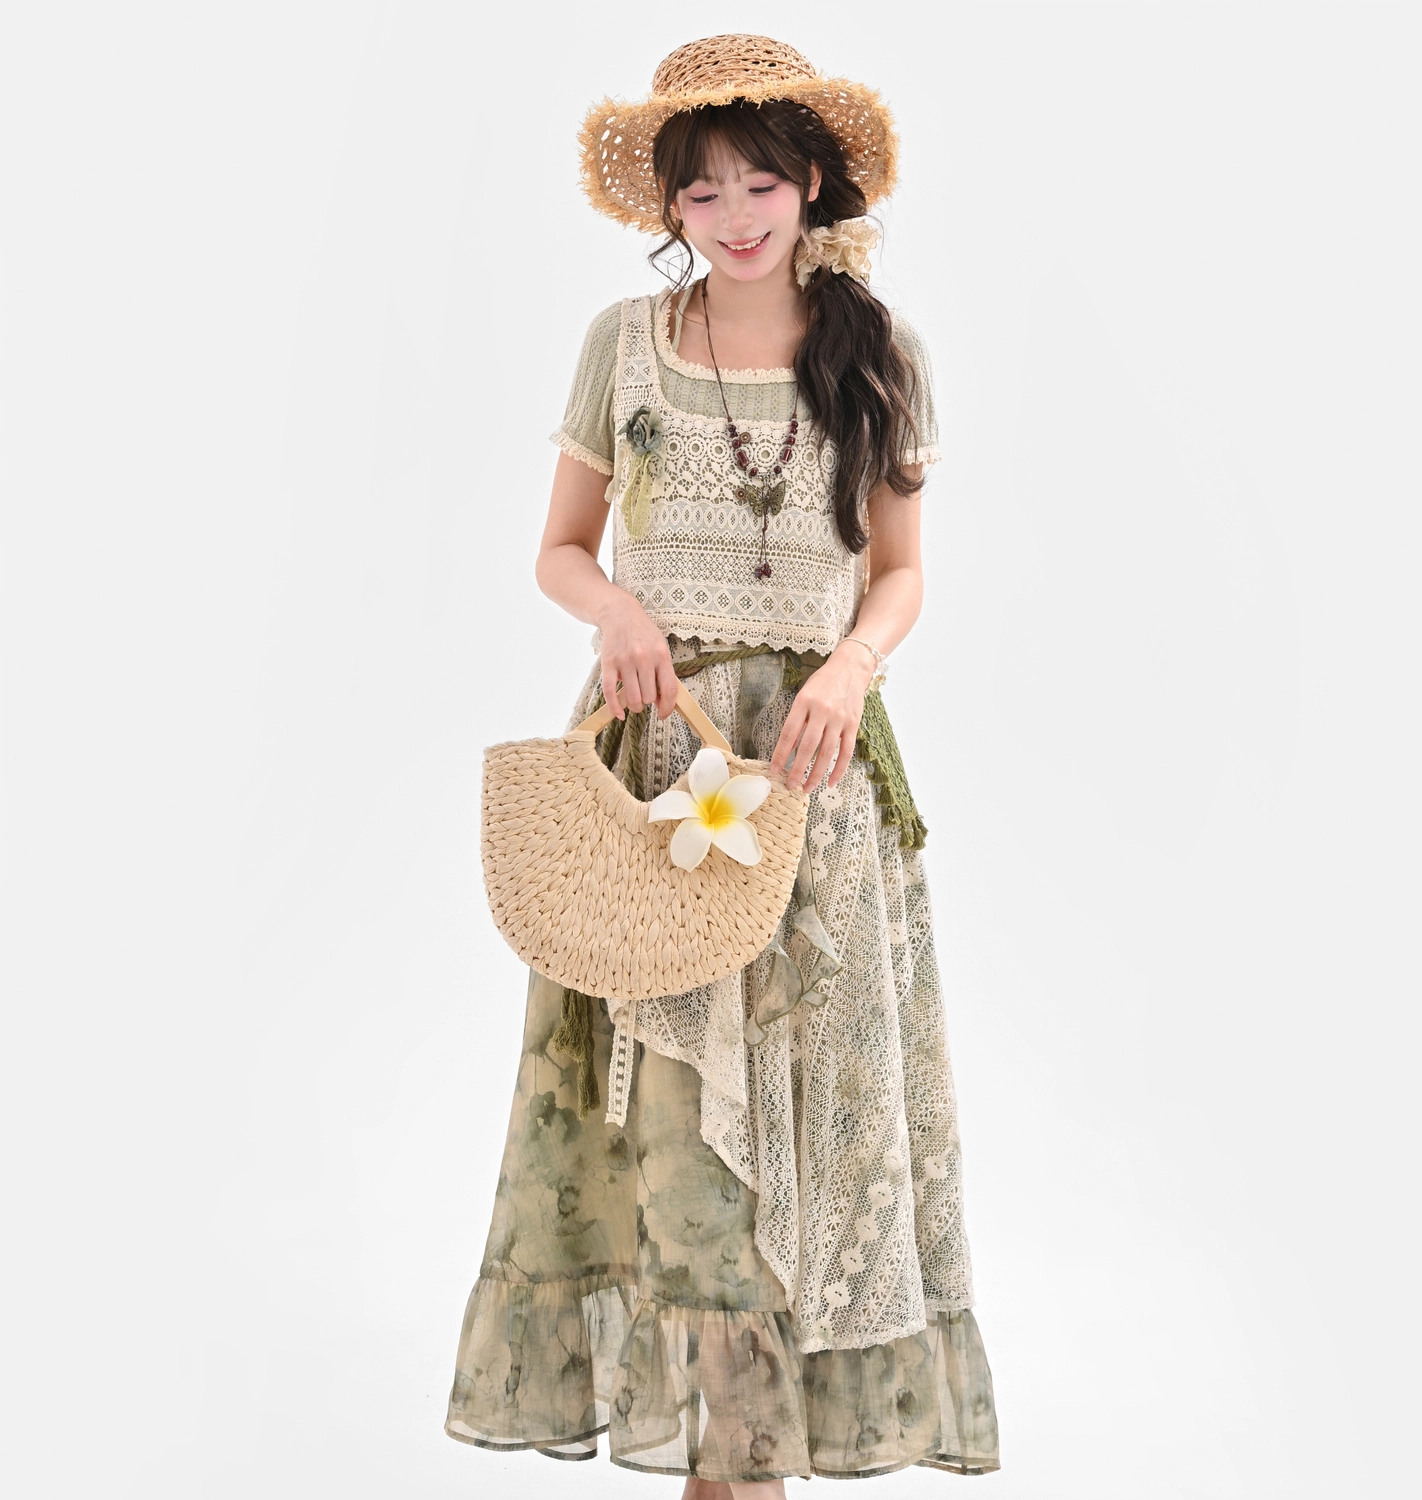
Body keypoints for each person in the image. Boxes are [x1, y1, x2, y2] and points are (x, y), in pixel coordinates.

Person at [445, 35, 999, 1494]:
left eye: (761, 182)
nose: (736, 215)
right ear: (669, 208)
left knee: (809, 1128)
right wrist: (616, 610)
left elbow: (901, 571)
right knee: (674, 1132)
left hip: (810, 775)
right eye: (702, 193)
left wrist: (849, 667)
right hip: (655, 773)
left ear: (811, 181)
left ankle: (749, 1468)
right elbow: (560, 550)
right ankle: (724, 1467)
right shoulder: (624, 345)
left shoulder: (878, 352)